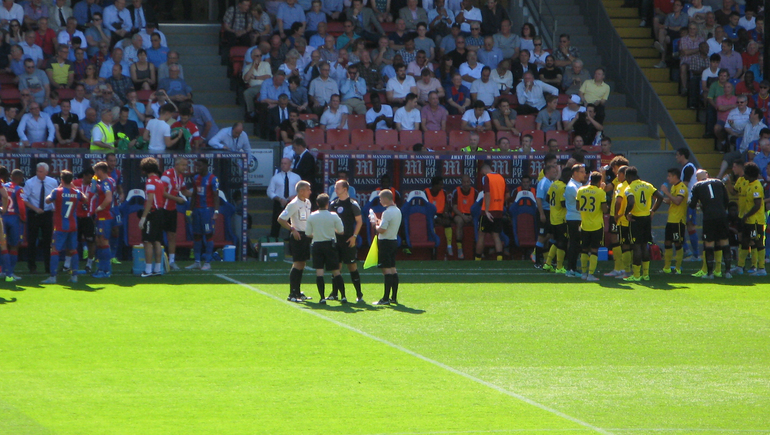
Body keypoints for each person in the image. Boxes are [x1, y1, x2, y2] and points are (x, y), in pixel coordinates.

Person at [39, 170, 83, 285]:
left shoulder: (57, 191)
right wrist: (73, 187)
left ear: (62, 180)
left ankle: (53, 277)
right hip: (73, 225)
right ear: (71, 180)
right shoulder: (76, 192)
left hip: (60, 226)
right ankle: (75, 277)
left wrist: (58, 188)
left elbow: (47, 200)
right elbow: (86, 199)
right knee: (73, 250)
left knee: (55, 250)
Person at [622, 167, 664, 282]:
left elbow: (631, 202)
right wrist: (652, 210)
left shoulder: (629, 188)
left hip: (636, 219)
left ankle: (636, 275)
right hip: (646, 218)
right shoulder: (647, 185)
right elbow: (660, 197)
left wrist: (627, 213)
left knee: (636, 246)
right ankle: (646, 274)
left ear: (629, 177)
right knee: (644, 245)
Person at [689, 169, 732, 279]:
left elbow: (692, 205)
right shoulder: (718, 182)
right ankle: (727, 272)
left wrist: (700, 205)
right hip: (722, 215)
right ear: (707, 175)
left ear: (697, 179)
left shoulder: (697, 185)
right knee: (725, 242)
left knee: (709, 244)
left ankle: (710, 273)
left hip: (709, 218)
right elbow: (726, 200)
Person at [304, 193, 345, 304]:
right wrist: (331, 232)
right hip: (330, 245)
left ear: (317, 203)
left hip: (317, 244)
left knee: (319, 272)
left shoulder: (312, 216)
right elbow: (341, 231)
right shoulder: (333, 215)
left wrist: (317, 234)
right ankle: (343, 296)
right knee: (336, 271)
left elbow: (307, 233)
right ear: (328, 203)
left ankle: (322, 297)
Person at [278, 180, 313, 302]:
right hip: (297, 236)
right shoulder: (293, 204)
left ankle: (298, 292)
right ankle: (292, 293)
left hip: (306, 236)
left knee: (302, 263)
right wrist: (292, 229)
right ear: (301, 191)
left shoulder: (307, 202)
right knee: (297, 263)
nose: (310, 191)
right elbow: (281, 219)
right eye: (308, 189)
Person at [731, 162, 766, 276]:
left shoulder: (757, 186)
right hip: (746, 219)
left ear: (749, 174)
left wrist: (746, 215)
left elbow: (757, 205)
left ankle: (761, 268)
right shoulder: (748, 183)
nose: (743, 175)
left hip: (755, 220)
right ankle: (740, 267)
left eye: (745, 173)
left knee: (758, 242)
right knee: (744, 241)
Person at [22, 162, 57, 275]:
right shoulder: (30, 182)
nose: (39, 173)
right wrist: (35, 208)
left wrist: (54, 208)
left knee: (48, 242)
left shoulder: (53, 182)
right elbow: (24, 198)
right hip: (34, 214)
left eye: (41, 171)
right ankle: (32, 267)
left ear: (46, 172)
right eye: (37, 171)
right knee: (32, 241)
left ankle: (48, 267)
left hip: (47, 214)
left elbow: (57, 196)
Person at [186, 159, 220, 271]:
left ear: (206, 166)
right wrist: (189, 211)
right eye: (197, 166)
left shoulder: (213, 179)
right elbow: (194, 195)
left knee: (208, 235)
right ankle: (197, 262)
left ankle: (208, 262)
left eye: (200, 166)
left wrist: (216, 211)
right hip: (197, 210)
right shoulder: (196, 178)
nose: (198, 168)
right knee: (196, 236)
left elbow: (216, 196)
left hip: (207, 211)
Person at [576, 171, 607, 281]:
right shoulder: (600, 193)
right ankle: (591, 274)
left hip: (584, 224)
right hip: (596, 225)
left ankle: (584, 272)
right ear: (599, 181)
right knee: (594, 250)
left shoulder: (581, 190)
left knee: (584, 249)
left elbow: (577, 207)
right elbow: (604, 210)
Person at [372, 189, 402, 305]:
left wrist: (375, 225)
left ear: (385, 199)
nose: (380, 201)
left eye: (380, 198)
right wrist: (379, 221)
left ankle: (385, 298)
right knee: (393, 268)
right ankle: (393, 297)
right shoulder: (397, 210)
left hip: (385, 242)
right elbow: (388, 225)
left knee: (386, 270)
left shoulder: (387, 212)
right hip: (393, 241)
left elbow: (382, 230)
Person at [136, 157, 165, 278]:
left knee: (147, 241)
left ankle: (148, 270)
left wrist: (143, 217)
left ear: (144, 170)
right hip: (160, 212)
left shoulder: (151, 181)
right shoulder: (159, 180)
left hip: (152, 213)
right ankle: (157, 268)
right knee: (157, 241)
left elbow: (150, 200)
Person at [160, 158, 189, 271]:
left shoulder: (180, 177)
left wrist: (198, 193)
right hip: (162, 209)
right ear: (176, 165)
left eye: (186, 165)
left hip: (172, 209)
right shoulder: (167, 175)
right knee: (157, 236)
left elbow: (184, 191)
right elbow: (162, 192)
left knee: (172, 235)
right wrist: (176, 198)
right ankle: (156, 260)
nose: (185, 168)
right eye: (183, 165)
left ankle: (171, 261)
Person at [659, 167, 688, 274]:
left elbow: (677, 201)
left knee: (677, 243)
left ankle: (678, 268)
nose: (667, 178)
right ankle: (666, 267)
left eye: (669, 176)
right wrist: (660, 199)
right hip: (671, 220)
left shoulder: (682, 188)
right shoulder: (673, 187)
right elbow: (671, 201)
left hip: (678, 221)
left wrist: (666, 193)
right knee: (667, 242)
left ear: (675, 176)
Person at [89, 161, 115, 278]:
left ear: (100, 171)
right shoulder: (108, 181)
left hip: (104, 216)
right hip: (101, 216)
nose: (95, 174)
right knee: (99, 242)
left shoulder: (105, 183)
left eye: (96, 171)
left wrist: (99, 208)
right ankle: (100, 269)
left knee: (103, 242)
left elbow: (108, 198)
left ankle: (106, 270)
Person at [475, 163, 505, 261]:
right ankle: (499, 259)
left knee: (481, 235)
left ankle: (477, 259)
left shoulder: (487, 178)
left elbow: (487, 194)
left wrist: (487, 210)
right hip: (499, 210)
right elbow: (507, 195)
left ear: (483, 171)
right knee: (496, 235)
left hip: (487, 211)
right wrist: (499, 203)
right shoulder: (501, 178)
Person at [544, 165, 570, 273]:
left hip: (553, 218)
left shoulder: (554, 184)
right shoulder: (563, 187)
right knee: (562, 242)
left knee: (556, 241)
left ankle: (548, 263)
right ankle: (559, 267)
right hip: (561, 219)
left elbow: (547, 198)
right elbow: (563, 203)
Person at [267, 158, 301, 238]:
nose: (283, 165)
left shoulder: (296, 177)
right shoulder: (275, 178)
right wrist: (279, 199)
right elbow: (269, 191)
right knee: (276, 224)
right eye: (282, 163)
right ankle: (274, 241)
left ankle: (293, 242)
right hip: (279, 203)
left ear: (290, 165)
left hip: (292, 203)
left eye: (285, 163)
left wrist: (295, 196)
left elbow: (301, 190)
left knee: (293, 224)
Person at [676, 147, 700, 260]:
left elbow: (684, 185)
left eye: (677, 155)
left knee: (689, 225)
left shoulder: (688, 167)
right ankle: (689, 251)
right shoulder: (686, 167)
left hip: (688, 201)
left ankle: (693, 253)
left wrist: (676, 195)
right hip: (687, 200)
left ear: (682, 155)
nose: (676, 157)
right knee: (684, 224)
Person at [2, 168, 25, 281]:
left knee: (2, 245)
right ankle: (10, 272)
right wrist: (24, 218)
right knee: (14, 245)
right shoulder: (18, 189)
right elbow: (21, 206)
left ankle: (2, 270)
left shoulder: (3, 186)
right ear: (20, 178)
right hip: (14, 218)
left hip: (3, 216)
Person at [563, 163, 585, 277]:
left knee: (577, 244)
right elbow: (582, 200)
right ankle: (570, 269)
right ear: (575, 173)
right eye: (582, 172)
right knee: (573, 244)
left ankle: (574, 268)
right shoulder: (572, 186)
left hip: (578, 218)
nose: (584, 174)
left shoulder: (578, 184)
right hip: (574, 218)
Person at [451, 174, 476, 260]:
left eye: (467, 182)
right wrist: (463, 216)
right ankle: (459, 248)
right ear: (461, 182)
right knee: (459, 222)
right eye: (464, 182)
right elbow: (454, 207)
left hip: (471, 215)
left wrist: (472, 216)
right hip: (459, 214)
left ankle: (479, 249)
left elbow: (477, 207)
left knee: (480, 222)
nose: (466, 184)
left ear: (470, 182)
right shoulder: (456, 191)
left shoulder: (474, 192)